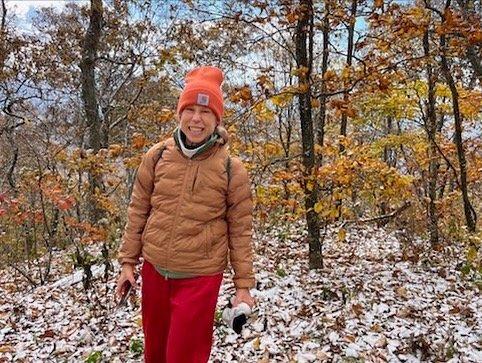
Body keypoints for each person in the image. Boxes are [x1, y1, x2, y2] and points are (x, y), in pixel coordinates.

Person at [115, 65, 256, 363]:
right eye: (189, 109)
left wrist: (243, 286)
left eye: (205, 112)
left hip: (199, 276)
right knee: (154, 353)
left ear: (217, 118)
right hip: (155, 271)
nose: (196, 119)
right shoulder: (156, 156)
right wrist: (128, 262)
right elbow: (138, 210)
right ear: (179, 114)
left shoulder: (232, 169)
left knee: (184, 356)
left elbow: (240, 230)